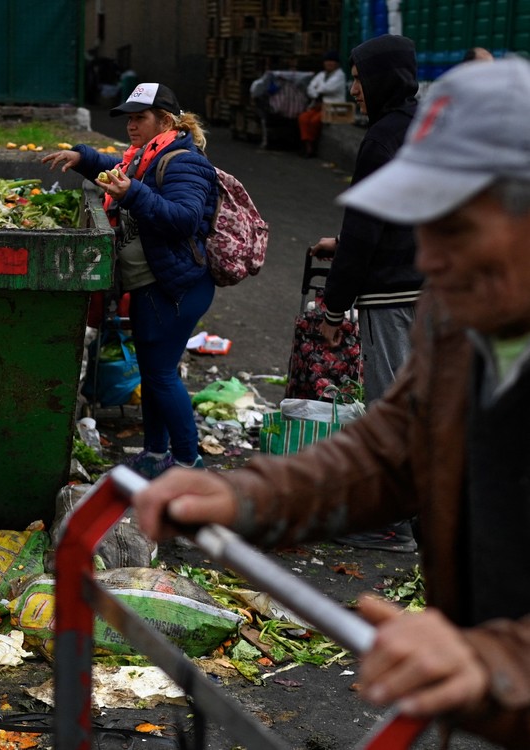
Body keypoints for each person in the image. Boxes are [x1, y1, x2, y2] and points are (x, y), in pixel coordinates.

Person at [130, 56, 530, 749]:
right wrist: (246, 498)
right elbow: (393, 447)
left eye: (457, 227)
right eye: (422, 224)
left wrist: (499, 662)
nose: (429, 258)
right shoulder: (459, 317)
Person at [42, 83, 218, 478]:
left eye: (140, 118)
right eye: (129, 118)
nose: (131, 125)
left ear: (165, 121)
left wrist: (133, 194)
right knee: (154, 374)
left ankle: (189, 462)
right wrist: (83, 157)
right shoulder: (146, 155)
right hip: (150, 286)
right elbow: (119, 168)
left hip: (173, 288)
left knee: (161, 374)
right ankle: (156, 454)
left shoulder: (185, 162)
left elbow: (185, 218)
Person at [307, 35, 424, 552]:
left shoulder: (382, 139)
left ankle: (390, 525)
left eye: (359, 80)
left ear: (383, 80)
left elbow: (364, 231)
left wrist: (334, 308)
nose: (354, 89)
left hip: (393, 299)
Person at [297, 51, 347, 158]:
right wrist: (317, 91)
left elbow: (327, 88)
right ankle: (307, 144)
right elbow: (310, 88)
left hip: (333, 107)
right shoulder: (321, 74)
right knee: (303, 118)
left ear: (337, 63)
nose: (329, 63)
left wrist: (316, 89)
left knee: (315, 121)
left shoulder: (340, 75)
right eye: (327, 61)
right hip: (319, 106)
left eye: (332, 61)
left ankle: (310, 146)